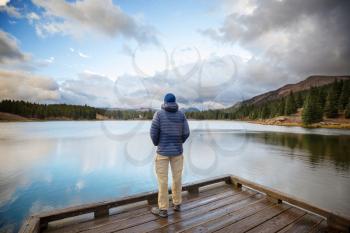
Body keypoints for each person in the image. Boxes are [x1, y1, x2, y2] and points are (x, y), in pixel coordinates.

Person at [150, 93, 190, 218]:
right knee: (177, 178)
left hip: (162, 152)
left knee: (163, 181)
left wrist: (157, 143)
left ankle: (163, 209)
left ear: (164, 102)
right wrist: (179, 142)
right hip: (177, 152)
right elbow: (186, 133)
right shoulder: (181, 114)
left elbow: (153, 133)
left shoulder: (159, 114)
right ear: (175, 101)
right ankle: (177, 204)